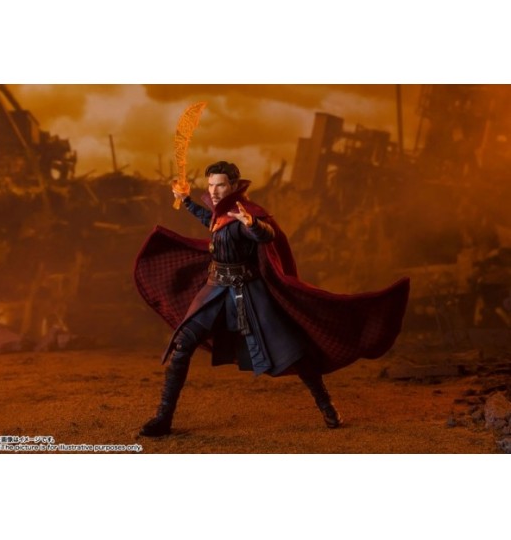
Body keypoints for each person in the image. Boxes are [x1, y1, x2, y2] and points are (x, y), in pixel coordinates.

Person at [135, 161, 410, 436]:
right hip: (215, 290)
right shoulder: (221, 215)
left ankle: (326, 404)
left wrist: (252, 223)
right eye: (210, 185)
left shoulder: (247, 214)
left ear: (233, 186)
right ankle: (163, 418)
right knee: (183, 344)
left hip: (249, 293)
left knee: (292, 350)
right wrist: (186, 201)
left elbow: (266, 234)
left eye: (220, 185)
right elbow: (212, 222)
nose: (214, 191)